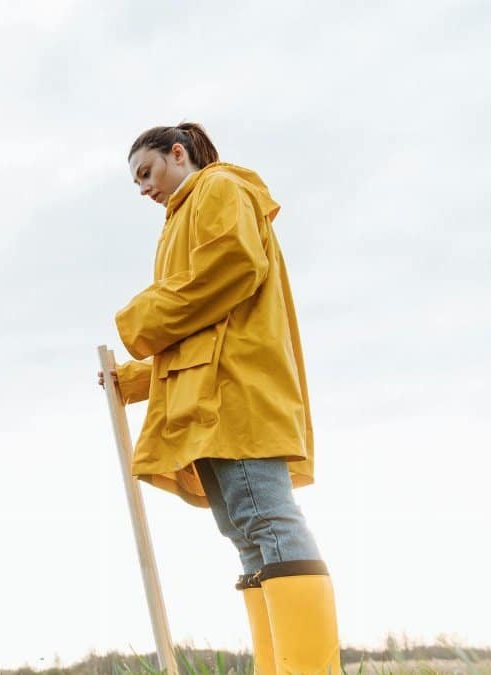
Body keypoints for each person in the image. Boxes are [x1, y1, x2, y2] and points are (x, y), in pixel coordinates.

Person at [103, 123, 339, 673]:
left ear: (177, 153)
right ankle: (275, 666)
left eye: (147, 172)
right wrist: (134, 379)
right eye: (136, 182)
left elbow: (229, 269)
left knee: (267, 520)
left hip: (235, 393)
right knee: (244, 531)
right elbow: (202, 324)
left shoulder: (219, 187)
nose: (144, 188)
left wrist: (135, 320)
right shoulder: (180, 218)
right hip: (207, 399)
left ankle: (310, 669)